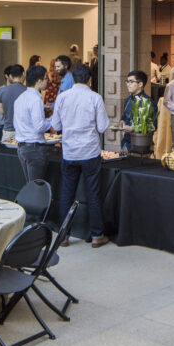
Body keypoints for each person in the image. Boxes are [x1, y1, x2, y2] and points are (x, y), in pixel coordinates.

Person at [51, 64, 110, 247]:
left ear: (73, 78)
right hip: (90, 152)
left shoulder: (62, 97)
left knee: (67, 194)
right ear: (90, 79)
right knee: (93, 194)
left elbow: (56, 125)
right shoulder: (95, 97)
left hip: (69, 152)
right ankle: (96, 235)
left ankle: (64, 235)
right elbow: (102, 127)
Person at [13, 64, 52, 182]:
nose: (47, 81)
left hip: (22, 147)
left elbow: (16, 123)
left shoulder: (20, 98)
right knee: (36, 186)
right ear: (39, 81)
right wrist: (52, 120)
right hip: (34, 148)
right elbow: (39, 126)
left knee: (29, 185)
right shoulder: (36, 100)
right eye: (46, 78)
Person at [121, 69, 157, 152]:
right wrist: (121, 122)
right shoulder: (128, 100)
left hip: (141, 146)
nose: (128, 84)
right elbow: (124, 117)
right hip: (126, 143)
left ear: (140, 84)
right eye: (127, 81)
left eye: (131, 82)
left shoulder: (148, 102)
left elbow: (153, 126)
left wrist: (133, 128)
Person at [0, 64, 27, 143]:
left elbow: (2, 111)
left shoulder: (2, 91)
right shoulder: (27, 91)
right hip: (23, 131)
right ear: (23, 74)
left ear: (11, 76)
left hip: (8, 131)